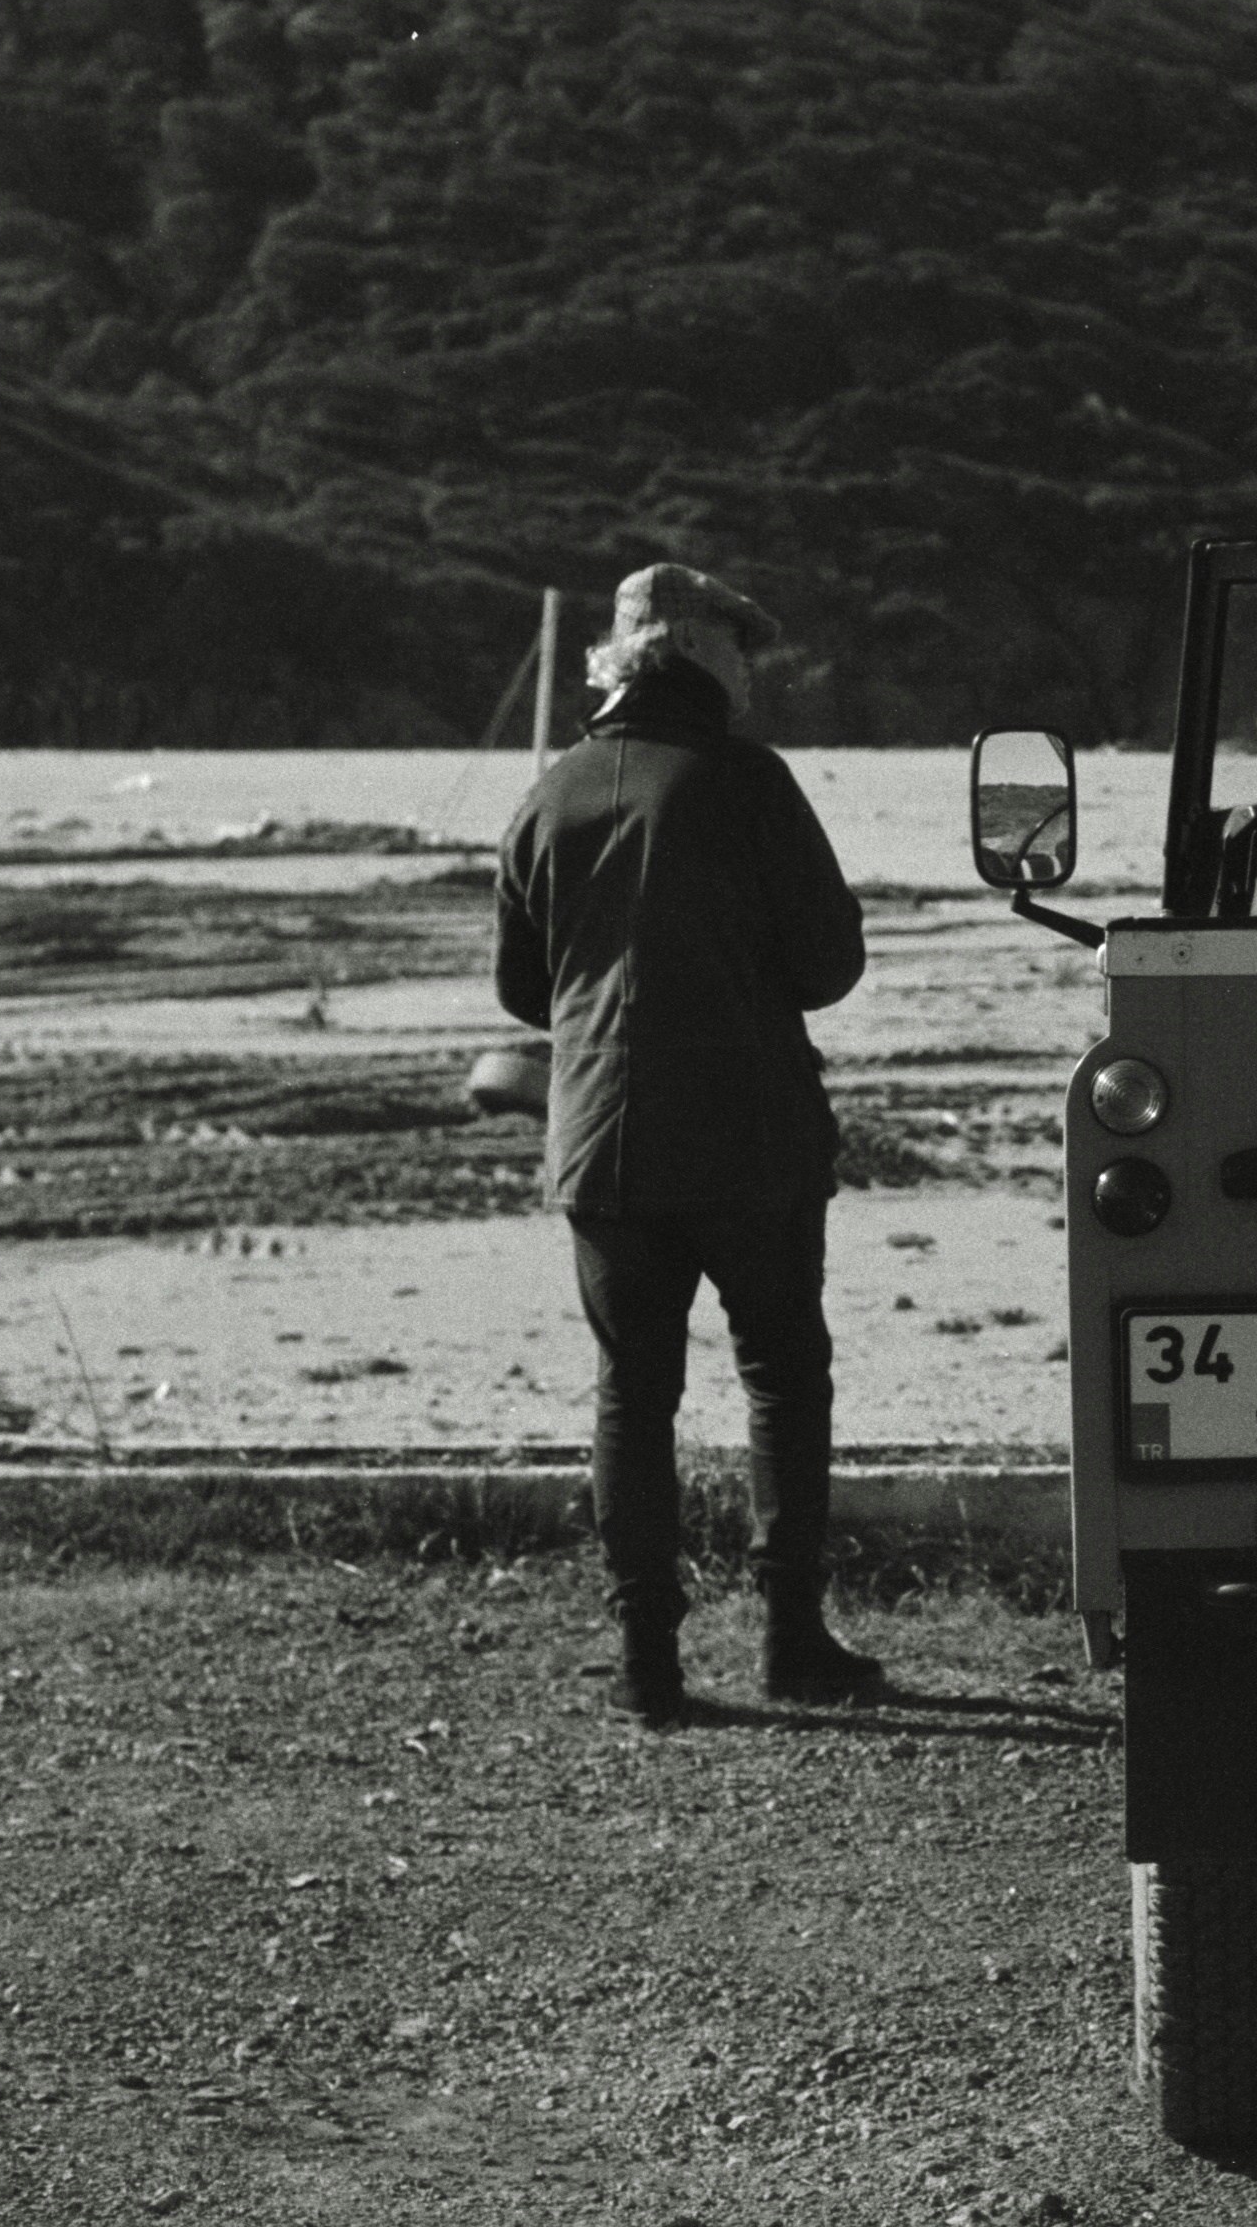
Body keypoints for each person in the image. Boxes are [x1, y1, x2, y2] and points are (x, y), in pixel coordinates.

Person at [495, 563, 877, 1720]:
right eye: (741, 648)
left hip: (602, 1141)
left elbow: (524, 990)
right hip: (748, 1134)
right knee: (782, 1371)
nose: (752, 669)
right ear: (700, 657)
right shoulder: (748, 783)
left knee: (632, 1390)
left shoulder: (550, 794)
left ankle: (647, 1662)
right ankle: (790, 1635)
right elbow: (830, 964)